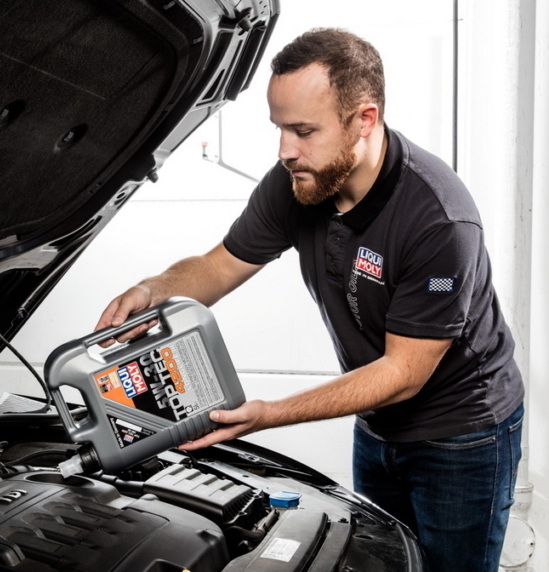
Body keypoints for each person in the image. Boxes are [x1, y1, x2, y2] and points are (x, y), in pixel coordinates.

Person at [94, 28, 524, 572]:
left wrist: (269, 414)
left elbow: (404, 373)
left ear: (364, 120)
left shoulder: (438, 220)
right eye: (279, 129)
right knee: (385, 563)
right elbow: (219, 265)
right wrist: (152, 290)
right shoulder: (297, 181)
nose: (285, 151)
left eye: (303, 131)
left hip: (462, 434)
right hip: (378, 423)